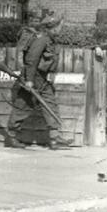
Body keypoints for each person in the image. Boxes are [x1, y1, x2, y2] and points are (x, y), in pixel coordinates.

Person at [5, 15, 73, 150]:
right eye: (59, 26)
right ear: (52, 28)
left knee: (50, 105)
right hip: (33, 78)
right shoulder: (41, 40)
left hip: (43, 79)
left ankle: (54, 139)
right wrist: (29, 80)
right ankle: (12, 137)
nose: (61, 29)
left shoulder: (50, 40)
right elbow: (31, 60)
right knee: (23, 106)